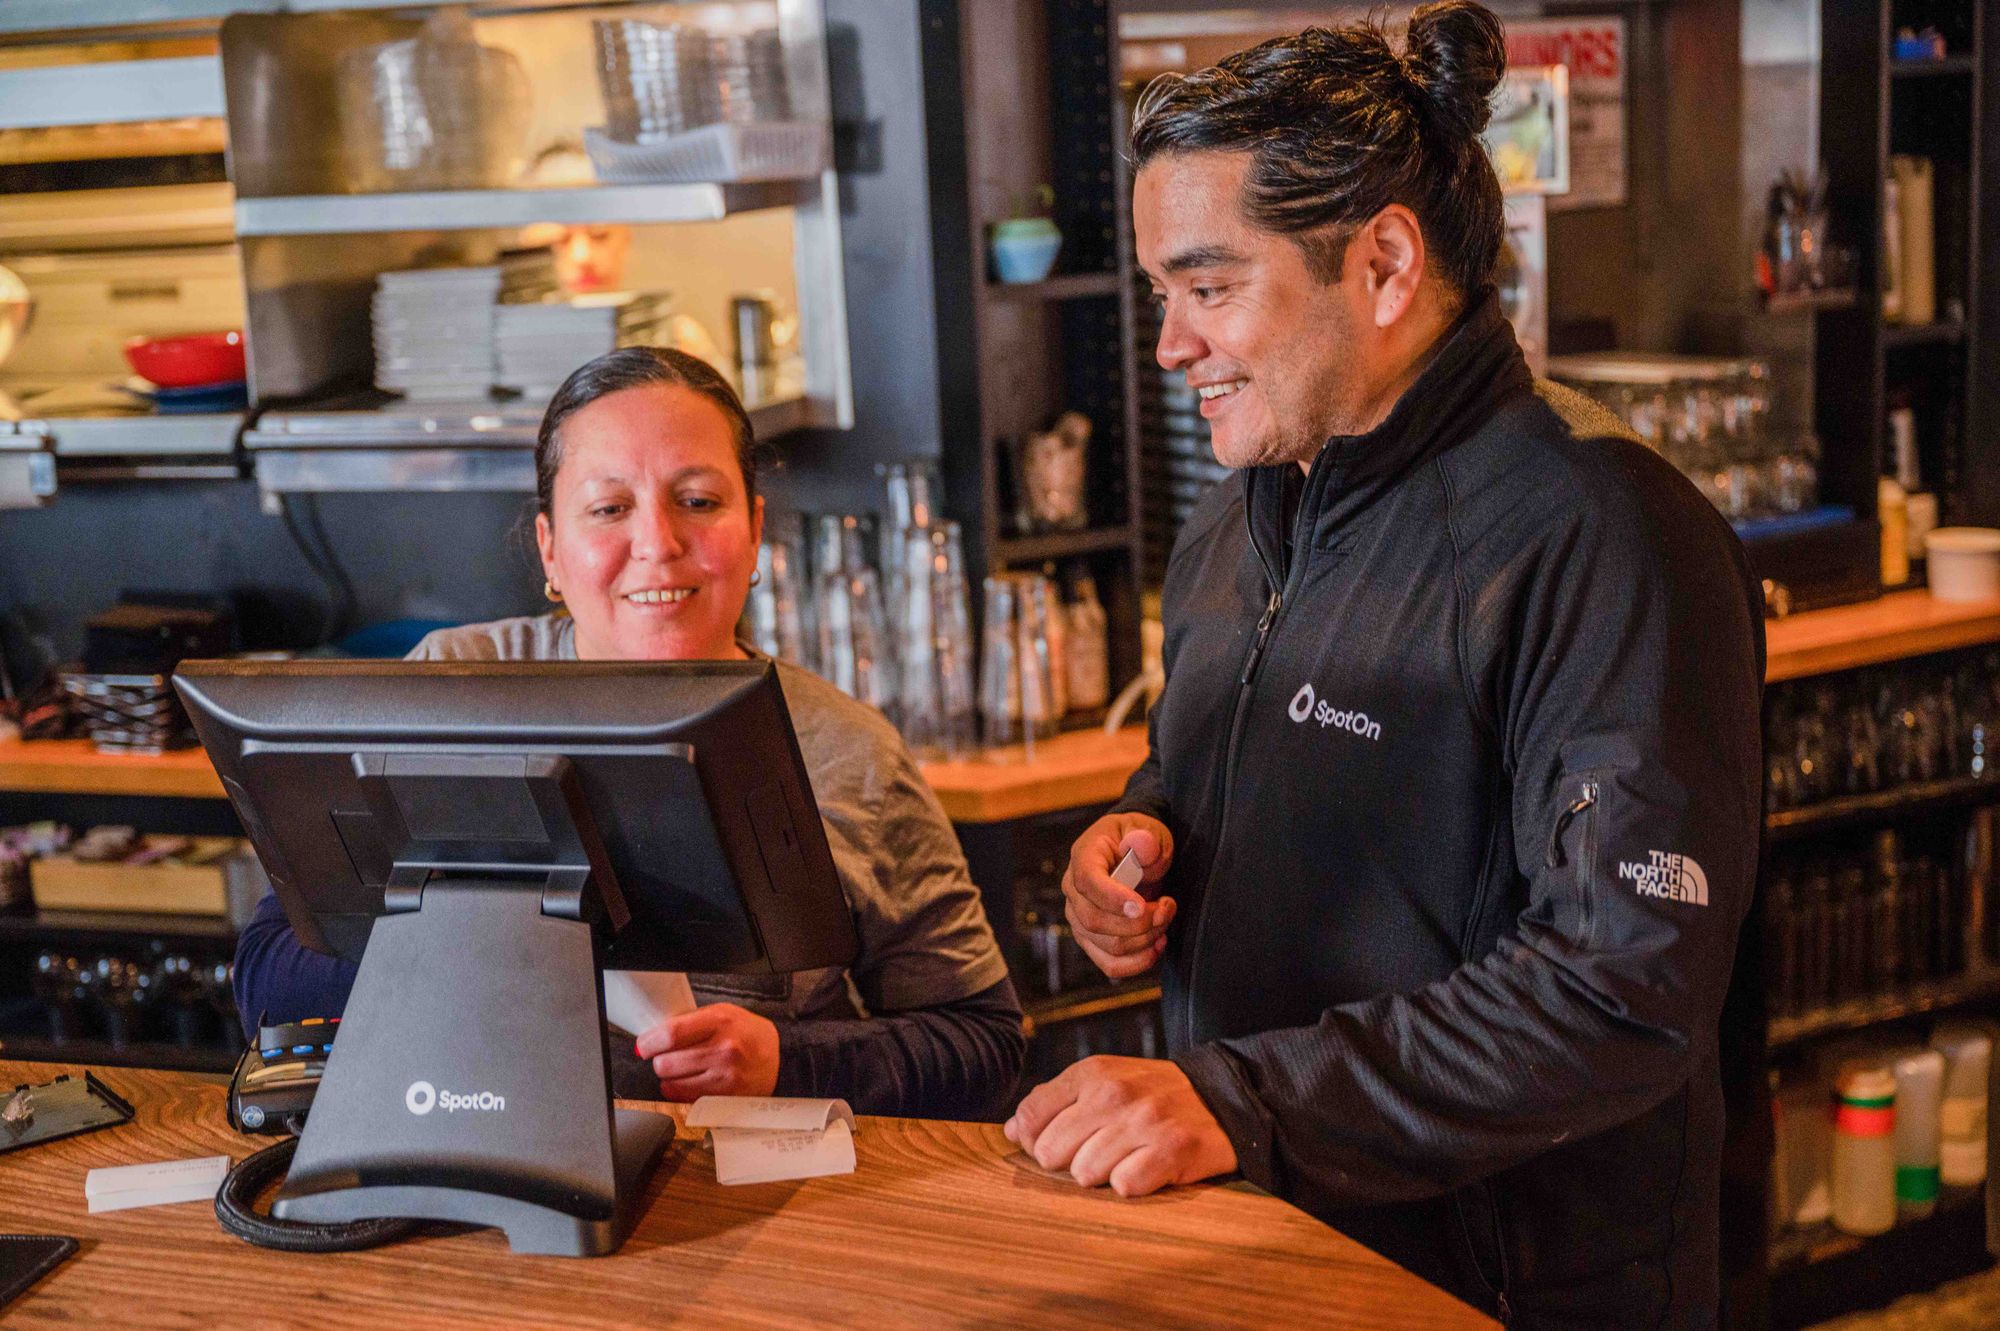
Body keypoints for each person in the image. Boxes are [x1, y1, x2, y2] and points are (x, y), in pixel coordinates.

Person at [1002, 4, 1763, 1326]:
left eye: (1209, 287)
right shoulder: (1238, 516)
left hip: (1504, 1286)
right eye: (1159, 296)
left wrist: (1244, 1098)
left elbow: (1620, 980)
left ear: (1388, 265)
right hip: (1272, 1247)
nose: (1171, 346)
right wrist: (1142, 832)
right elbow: (1226, 757)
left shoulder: (1600, 532)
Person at [234, 347, 1025, 1121]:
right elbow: (270, 978)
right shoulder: (446, 687)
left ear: (753, 531)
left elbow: (984, 1045)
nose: (658, 543)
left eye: (699, 500)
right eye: (610, 508)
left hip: (732, 1203)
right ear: (550, 547)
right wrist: (479, 953)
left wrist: (789, 1060)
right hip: (466, 1169)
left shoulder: (847, 751)